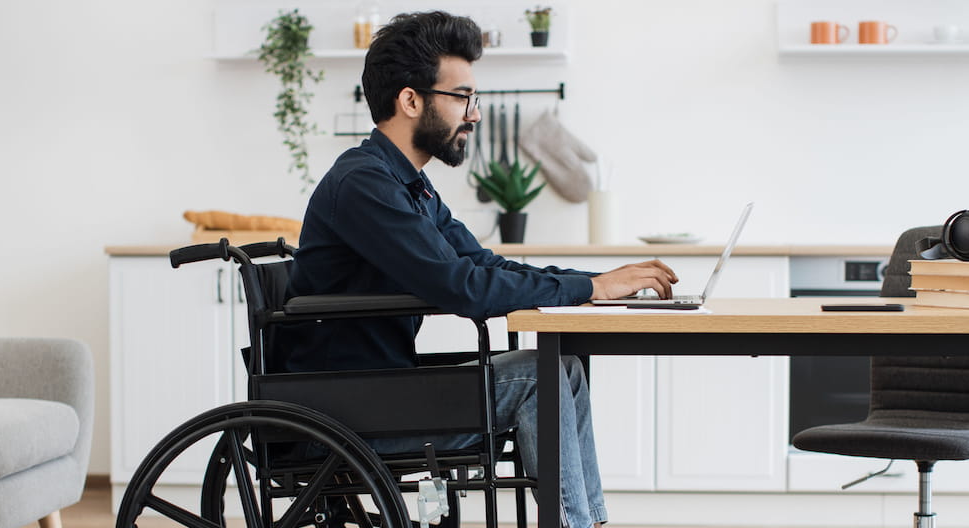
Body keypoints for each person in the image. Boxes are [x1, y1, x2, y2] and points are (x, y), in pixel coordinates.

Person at [283, 11, 677, 528]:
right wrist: (592, 288)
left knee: (565, 369)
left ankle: (587, 521)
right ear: (410, 100)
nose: (474, 114)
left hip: (380, 391)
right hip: (350, 406)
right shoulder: (364, 185)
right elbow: (462, 288)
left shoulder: (409, 185)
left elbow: (481, 265)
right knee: (542, 373)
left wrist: (596, 282)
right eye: (463, 97)